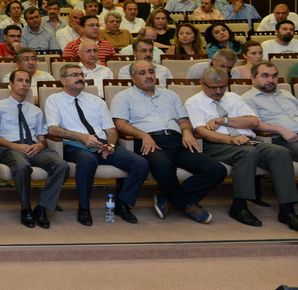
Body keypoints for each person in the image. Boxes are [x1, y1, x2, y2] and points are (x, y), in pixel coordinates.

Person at [111, 61, 226, 224]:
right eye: (142, 73)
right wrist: (143, 135)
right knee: (164, 166)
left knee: (217, 170)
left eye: (151, 71)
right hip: (149, 142)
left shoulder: (170, 95)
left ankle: (167, 198)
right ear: (133, 78)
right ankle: (186, 205)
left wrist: (187, 132)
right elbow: (120, 124)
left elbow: (183, 120)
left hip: (177, 140)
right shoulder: (123, 96)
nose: (149, 76)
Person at [185, 67, 298, 230]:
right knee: (247, 153)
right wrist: (232, 139)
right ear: (201, 84)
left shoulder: (233, 97)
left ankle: (287, 210)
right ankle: (239, 206)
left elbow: (253, 121)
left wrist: (224, 121)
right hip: (217, 144)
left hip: (247, 140)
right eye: (213, 87)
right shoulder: (194, 102)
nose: (219, 91)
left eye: (222, 86)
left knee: (280, 152)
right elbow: (202, 131)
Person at [44, 63, 149, 225]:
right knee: (88, 161)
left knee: (140, 163)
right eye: (75, 75)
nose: (80, 78)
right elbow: (53, 129)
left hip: (102, 144)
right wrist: (81, 137)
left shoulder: (96, 101)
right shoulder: (54, 100)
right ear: (63, 80)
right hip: (74, 145)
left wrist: (111, 146)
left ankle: (122, 204)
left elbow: (111, 130)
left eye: (82, 75)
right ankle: (84, 208)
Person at [0, 69, 68, 229]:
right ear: (11, 84)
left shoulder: (36, 110)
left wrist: (39, 146)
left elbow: (42, 139)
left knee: (62, 166)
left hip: (35, 148)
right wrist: (14, 146)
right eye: (20, 80)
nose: (24, 84)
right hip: (11, 148)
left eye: (27, 81)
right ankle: (26, 209)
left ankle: (42, 207)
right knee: (22, 166)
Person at [241, 60, 298, 169]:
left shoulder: (286, 94)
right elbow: (255, 124)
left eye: (274, 76)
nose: (271, 80)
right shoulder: (247, 99)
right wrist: (282, 130)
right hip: (279, 139)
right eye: (265, 76)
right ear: (253, 78)